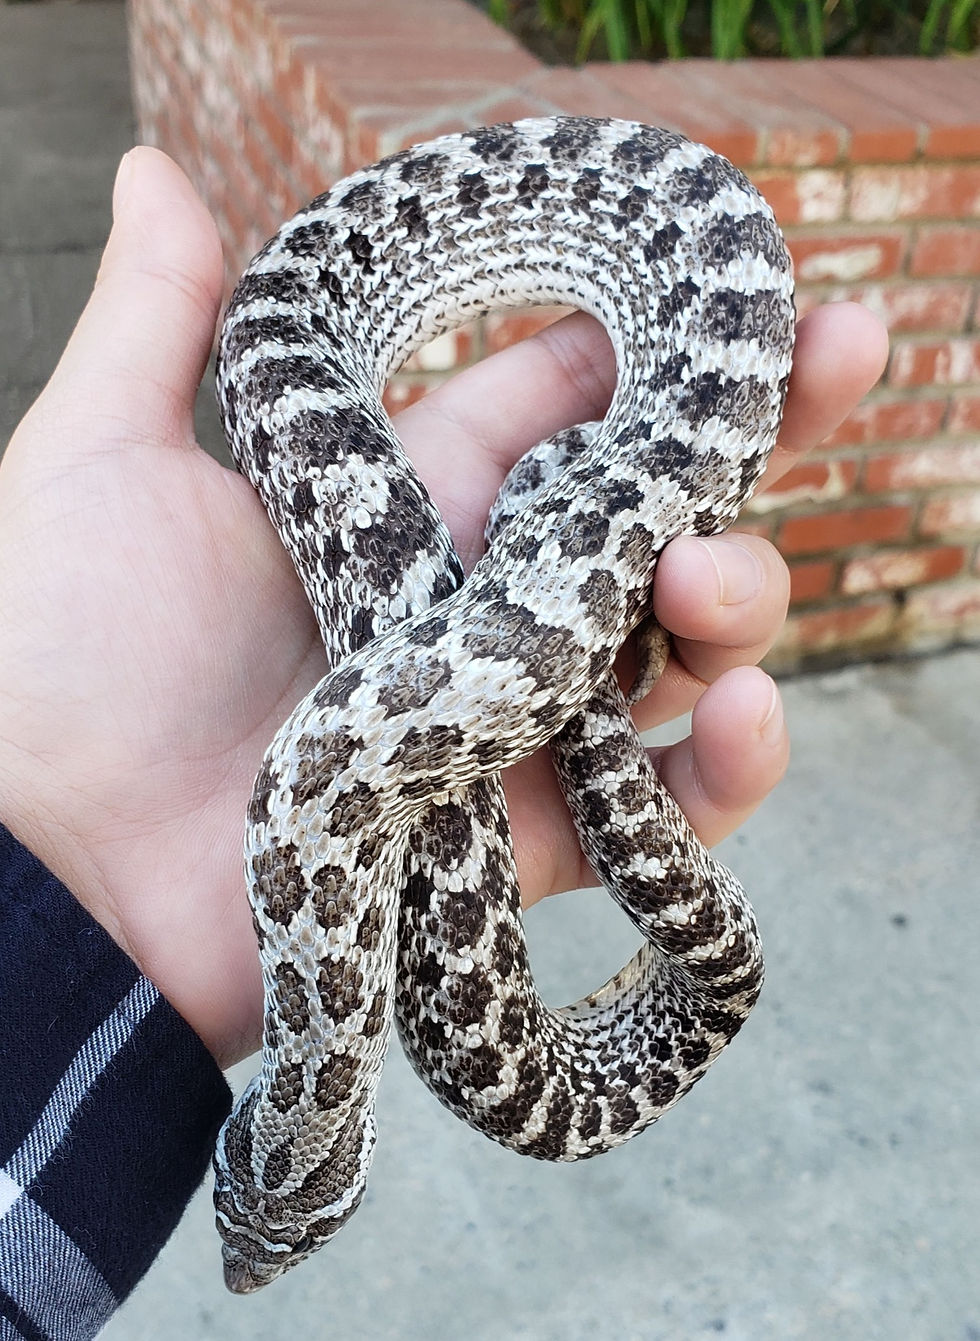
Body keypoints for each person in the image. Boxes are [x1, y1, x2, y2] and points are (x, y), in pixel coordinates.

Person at [0, 147, 888, 1337]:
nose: (246, 1267)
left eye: (260, 1222)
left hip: (654, 298)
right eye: (273, 1230)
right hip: (531, 582)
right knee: (620, 616)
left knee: (628, 587)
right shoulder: (330, 939)